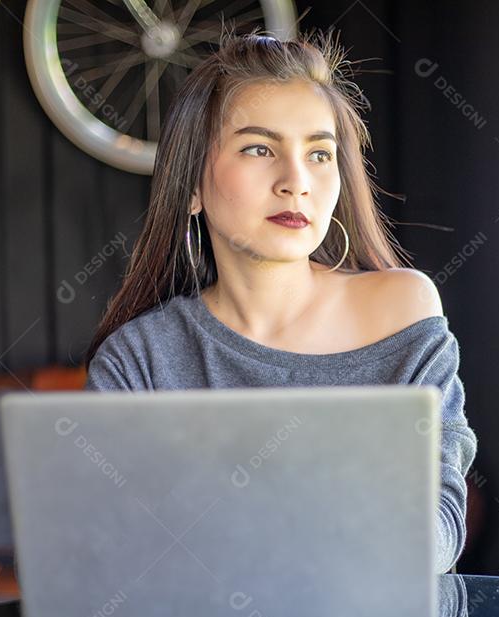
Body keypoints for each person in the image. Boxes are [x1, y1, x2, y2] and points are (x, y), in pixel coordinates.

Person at [83, 28, 477, 574]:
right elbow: (116, 558)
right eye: (259, 148)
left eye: (319, 153)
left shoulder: (402, 309)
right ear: (193, 185)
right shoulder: (140, 360)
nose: (297, 181)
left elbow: (439, 527)